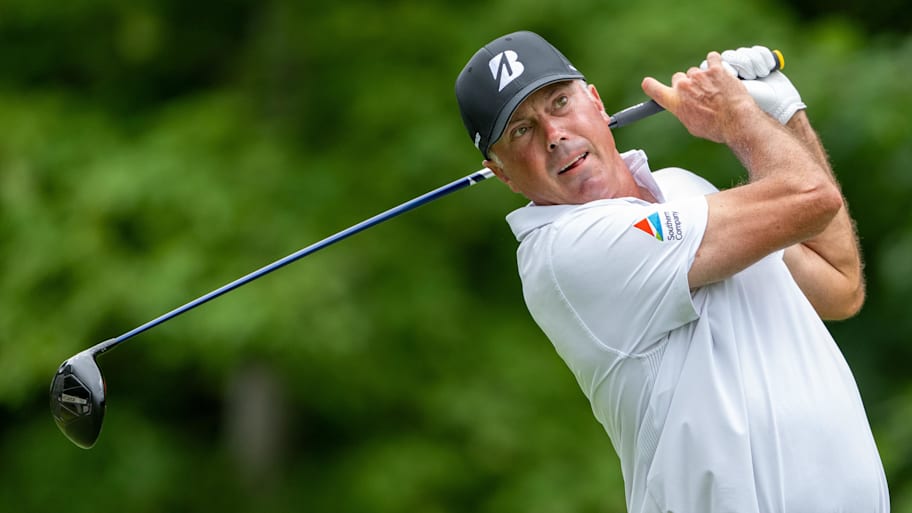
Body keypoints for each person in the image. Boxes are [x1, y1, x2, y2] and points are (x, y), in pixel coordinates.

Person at [455, 31, 889, 512]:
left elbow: (837, 283)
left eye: (560, 103)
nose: (554, 135)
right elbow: (811, 198)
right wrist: (741, 118)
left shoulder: (684, 189)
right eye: (521, 131)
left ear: (596, 102)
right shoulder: (566, 253)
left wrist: (784, 116)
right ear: (501, 173)